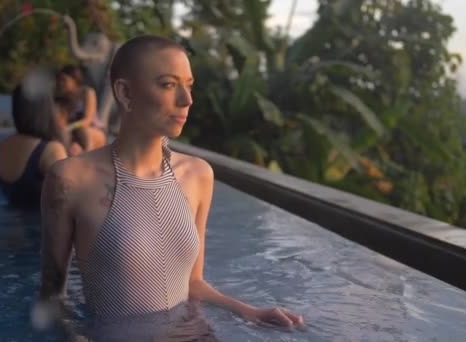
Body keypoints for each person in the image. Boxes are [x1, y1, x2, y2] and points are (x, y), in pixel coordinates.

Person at [35, 35, 304, 340]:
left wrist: (250, 312)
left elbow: (194, 284)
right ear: (124, 92)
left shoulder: (198, 175)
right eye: (168, 84)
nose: (186, 100)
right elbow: (52, 298)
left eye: (189, 85)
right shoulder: (71, 180)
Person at [0, 79, 68, 209]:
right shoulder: (51, 149)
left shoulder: (4, 146)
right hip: (42, 225)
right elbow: (69, 196)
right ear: (45, 109)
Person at [55, 65, 107, 152]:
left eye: (64, 80)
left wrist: (70, 127)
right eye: (59, 80)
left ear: (74, 80)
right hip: (73, 134)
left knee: (81, 130)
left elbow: (87, 120)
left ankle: (86, 157)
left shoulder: (87, 92)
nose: (61, 83)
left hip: (93, 130)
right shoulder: (62, 101)